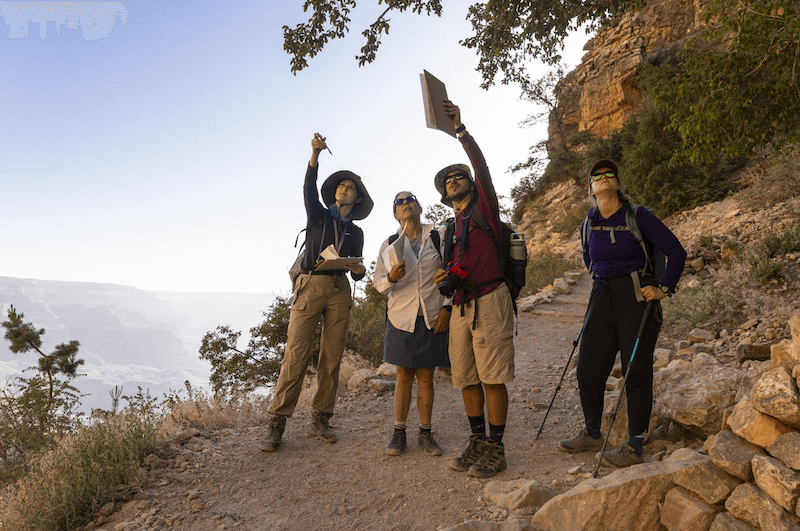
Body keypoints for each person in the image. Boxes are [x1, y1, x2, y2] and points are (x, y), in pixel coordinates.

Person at [558, 159, 686, 467]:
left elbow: (676, 251)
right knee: (587, 367)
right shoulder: (588, 224)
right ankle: (592, 433)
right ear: (590, 188)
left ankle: (634, 445)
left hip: (636, 297)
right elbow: (589, 260)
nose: (603, 178)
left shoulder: (638, 216)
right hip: (601, 296)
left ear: (617, 182)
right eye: (596, 176)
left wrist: (664, 288)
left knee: (636, 370)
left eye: (608, 174)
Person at [260, 133, 372, 453]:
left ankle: (321, 418)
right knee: (295, 353)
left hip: (340, 288)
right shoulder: (319, 215)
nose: (343, 189)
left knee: (331, 356)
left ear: (357, 198)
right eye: (340, 185)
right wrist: (314, 155)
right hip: (310, 285)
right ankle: (277, 422)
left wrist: (359, 270)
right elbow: (308, 188)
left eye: (349, 187)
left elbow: (358, 267)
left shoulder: (357, 231)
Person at [433, 100, 515, 479]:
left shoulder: (485, 210)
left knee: (491, 375)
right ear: (443, 194)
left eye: (458, 176)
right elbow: (456, 269)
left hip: (490, 299)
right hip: (462, 307)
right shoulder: (449, 230)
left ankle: (496, 448)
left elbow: (481, 168)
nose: (453, 180)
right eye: (447, 180)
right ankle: (477, 440)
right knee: (465, 377)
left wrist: (461, 131)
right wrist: (445, 286)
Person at [374, 192, 451, 457]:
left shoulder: (438, 237)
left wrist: (447, 308)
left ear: (419, 207)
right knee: (404, 375)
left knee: (427, 376)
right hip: (401, 317)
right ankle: (399, 432)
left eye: (410, 200)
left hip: (431, 314)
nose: (405, 203)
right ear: (396, 214)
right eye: (399, 202)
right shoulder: (389, 244)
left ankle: (426, 433)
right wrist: (391, 278)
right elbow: (379, 284)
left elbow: (450, 273)